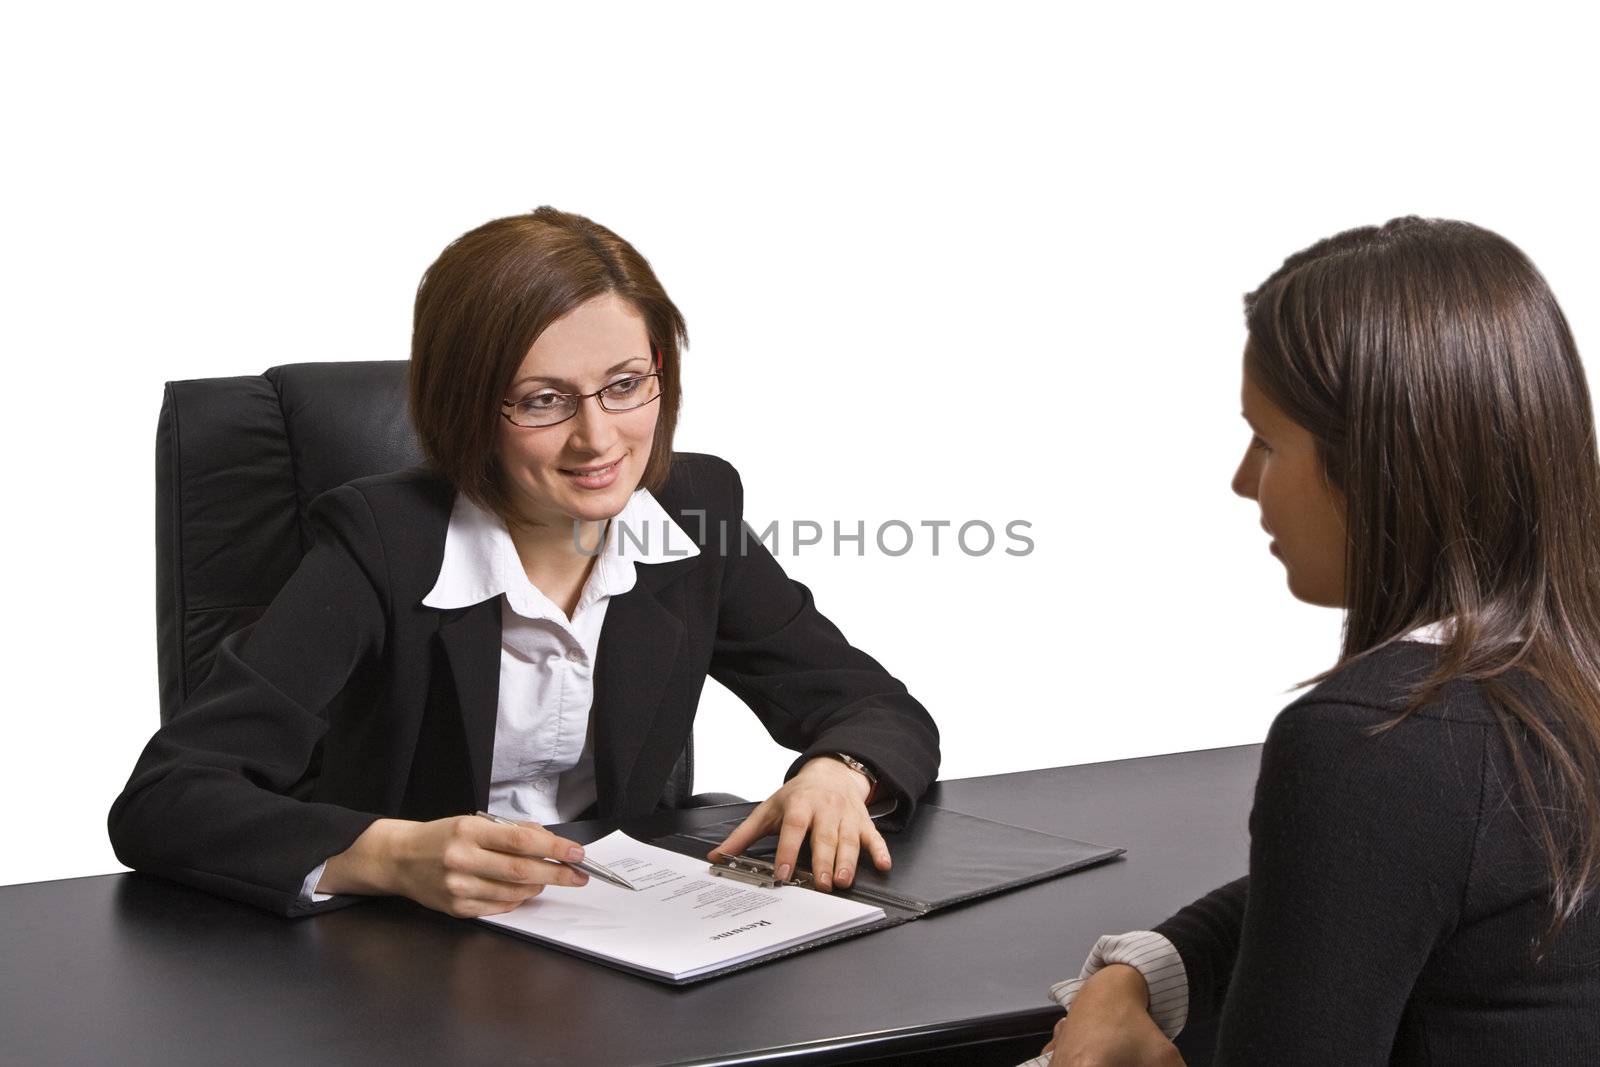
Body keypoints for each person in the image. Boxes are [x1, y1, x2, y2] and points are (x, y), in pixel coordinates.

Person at [108, 206, 940, 919]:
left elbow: (872, 704)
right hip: (394, 968)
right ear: (467, 405)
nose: (598, 438)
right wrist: (391, 854)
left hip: (626, 942)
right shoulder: (381, 543)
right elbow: (166, 798)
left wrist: (842, 770)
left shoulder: (689, 512)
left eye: (625, 383)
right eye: (544, 400)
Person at [1035, 218, 1600, 1065]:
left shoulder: (1373, 743)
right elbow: (1364, 888)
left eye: (1266, 440)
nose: (1242, 480)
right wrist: (1141, 970)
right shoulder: (1550, 690)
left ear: (1377, 464)